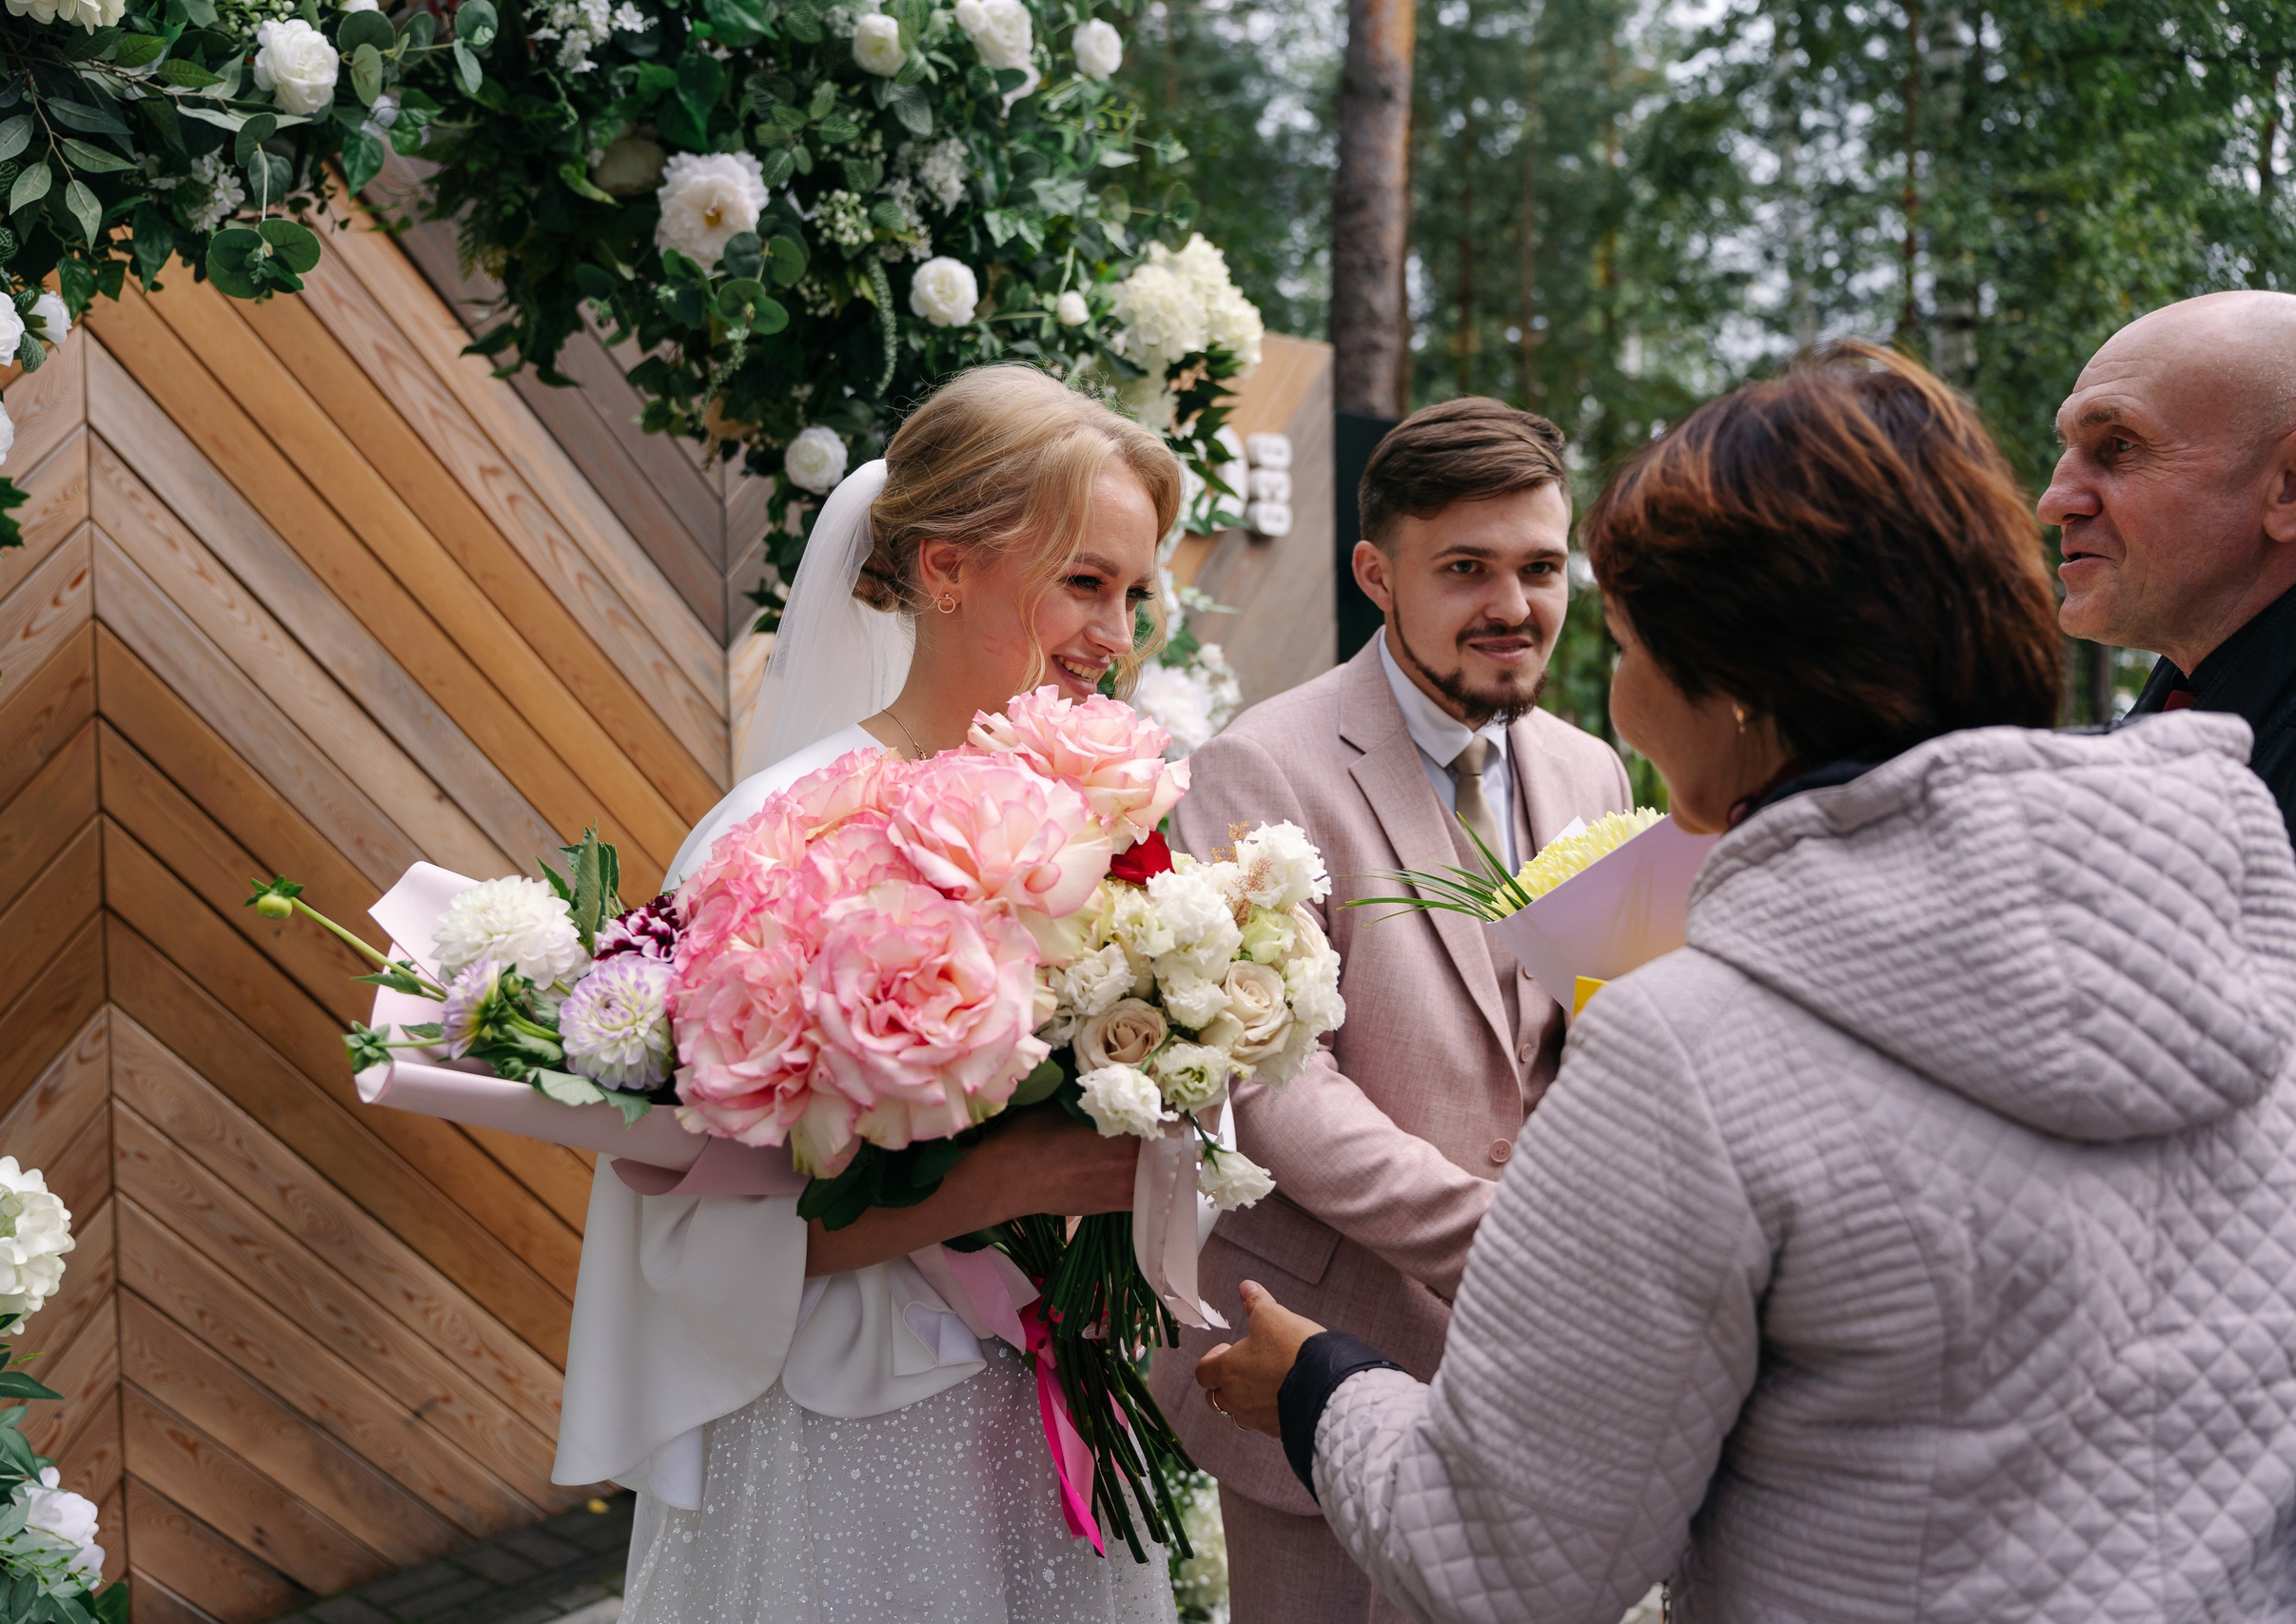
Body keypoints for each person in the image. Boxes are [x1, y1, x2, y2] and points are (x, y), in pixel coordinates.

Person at [1196, 343, 2296, 1621]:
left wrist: (1320, 1384)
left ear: (1730, 688)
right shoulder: (2235, 914)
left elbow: (1506, 1558)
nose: (1610, 692)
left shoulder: (1694, 1040)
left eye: (1621, 637)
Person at [558, 366, 1183, 1624]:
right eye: (1083, 581)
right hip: (848, 1434)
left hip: (1050, 1417)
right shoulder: (772, 843)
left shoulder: (1114, 835)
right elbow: (693, 1229)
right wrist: (1012, 1183)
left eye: (1133, 592)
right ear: (945, 569)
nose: (1115, 637)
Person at [1145, 398, 1631, 1623]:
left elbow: (1602, 1036)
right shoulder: (1260, 768)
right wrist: (1510, 1248)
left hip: (1547, 1373)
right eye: (1464, 569)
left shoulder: (1592, 769)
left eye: (1537, 567)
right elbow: (1269, 1082)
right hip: (1317, 1348)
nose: (1512, 606)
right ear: (1376, 573)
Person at [2040, 289, 2296, 837]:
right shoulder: (2195, 707)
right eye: (2067, 448)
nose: (2054, 502)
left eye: (2121, 446)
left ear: (2289, 490)